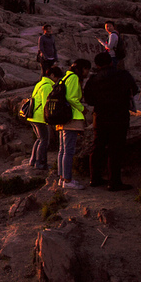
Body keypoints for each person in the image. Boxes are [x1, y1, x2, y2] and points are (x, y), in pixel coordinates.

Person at [84, 52, 138, 191]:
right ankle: (114, 182)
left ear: (97, 65)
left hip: (100, 116)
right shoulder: (123, 75)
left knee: (98, 147)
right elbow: (134, 90)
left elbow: (88, 99)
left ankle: (94, 178)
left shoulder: (93, 79)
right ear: (111, 62)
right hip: (119, 116)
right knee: (116, 149)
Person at [56, 59, 92, 190]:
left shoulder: (65, 77)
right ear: (81, 68)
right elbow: (71, 98)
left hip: (62, 118)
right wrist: (83, 109)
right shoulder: (74, 78)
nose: (87, 72)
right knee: (69, 151)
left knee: (63, 150)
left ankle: (62, 178)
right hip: (71, 118)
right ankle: (67, 180)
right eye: (87, 69)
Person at [27, 66, 63, 170]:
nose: (57, 80)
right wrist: (50, 118)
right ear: (52, 75)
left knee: (39, 139)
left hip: (33, 116)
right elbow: (46, 105)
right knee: (44, 140)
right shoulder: (47, 86)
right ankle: (40, 163)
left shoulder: (40, 83)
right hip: (40, 118)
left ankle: (33, 160)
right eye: (57, 77)